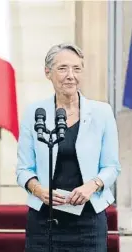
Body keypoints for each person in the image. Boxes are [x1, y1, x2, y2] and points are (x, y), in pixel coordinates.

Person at [16, 43, 121, 252]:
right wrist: (38, 190)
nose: (70, 75)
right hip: (44, 219)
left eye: (77, 68)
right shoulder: (34, 113)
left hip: (89, 220)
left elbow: (112, 167)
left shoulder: (102, 112)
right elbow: (23, 169)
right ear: (48, 72)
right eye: (63, 68)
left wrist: (92, 186)